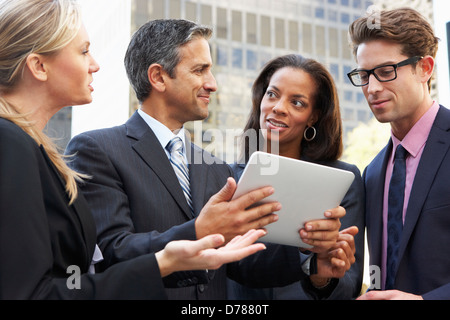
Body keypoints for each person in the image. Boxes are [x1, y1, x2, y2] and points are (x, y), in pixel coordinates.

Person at [0, 0, 269, 300]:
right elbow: (39, 289)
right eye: (84, 50)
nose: (95, 64)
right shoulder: (15, 143)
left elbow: (65, 279)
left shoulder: (36, 152)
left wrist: (310, 259)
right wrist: (166, 259)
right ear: (38, 66)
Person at [65, 19, 348, 299]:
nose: (212, 84)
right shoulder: (96, 149)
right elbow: (112, 252)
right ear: (158, 77)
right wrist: (200, 230)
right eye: (200, 70)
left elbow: (240, 265)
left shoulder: (214, 167)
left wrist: (310, 256)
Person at [228, 54, 365, 300]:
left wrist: (319, 274)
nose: (279, 108)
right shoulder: (225, 178)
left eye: (297, 103)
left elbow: (347, 286)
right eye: (272, 94)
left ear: (313, 116)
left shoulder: (342, 179)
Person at [347, 7, 450, 300]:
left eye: (385, 71)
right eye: (364, 75)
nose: (372, 88)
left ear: (425, 68)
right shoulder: (373, 172)